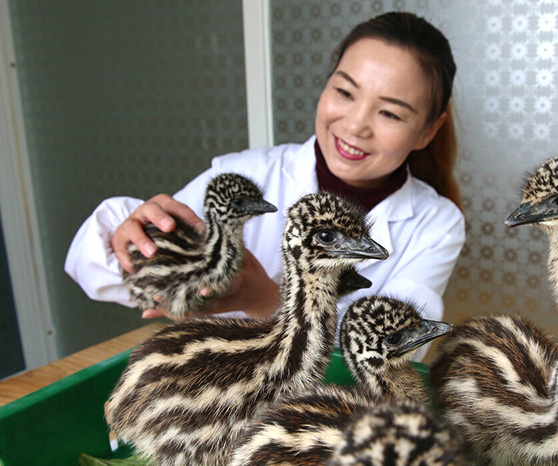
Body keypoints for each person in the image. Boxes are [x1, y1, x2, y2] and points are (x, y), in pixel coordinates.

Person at [65, 11, 465, 352]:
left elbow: (390, 354)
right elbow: (98, 264)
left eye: (390, 114)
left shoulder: (435, 224)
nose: (356, 125)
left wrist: (265, 299)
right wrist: (136, 235)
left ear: (428, 132)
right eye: (345, 92)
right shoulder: (247, 178)